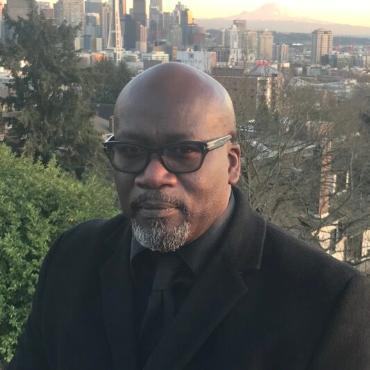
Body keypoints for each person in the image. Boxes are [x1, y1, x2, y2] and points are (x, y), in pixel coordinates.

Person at [8, 63, 370, 370]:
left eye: (183, 152)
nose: (152, 175)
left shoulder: (326, 302)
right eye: (131, 150)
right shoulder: (72, 258)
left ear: (232, 163)